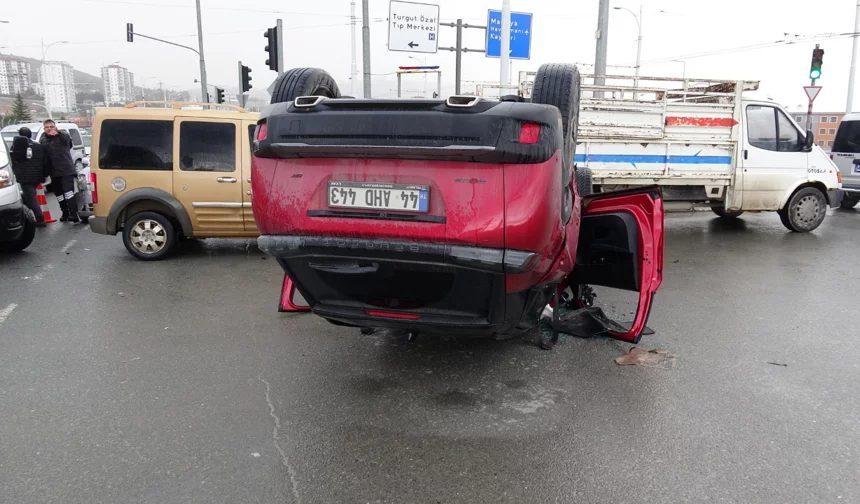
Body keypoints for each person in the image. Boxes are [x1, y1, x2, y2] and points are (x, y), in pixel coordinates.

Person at [40, 119, 79, 223]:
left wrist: (58, 133)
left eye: (51, 127)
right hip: (53, 171)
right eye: (47, 127)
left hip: (66, 169)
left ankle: (73, 214)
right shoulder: (43, 139)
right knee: (59, 194)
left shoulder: (62, 136)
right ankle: (65, 213)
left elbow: (68, 141)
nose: (49, 129)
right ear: (44, 129)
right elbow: (43, 156)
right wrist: (44, 172)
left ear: (55, 127)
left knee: (68, 192)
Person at [10, 127, 48, 227]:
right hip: (37, 176)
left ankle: (39, 218)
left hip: (25, 177)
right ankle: (30, 214)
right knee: (31, 196)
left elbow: (13, 161)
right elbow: (44, 161)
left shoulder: (16, 147)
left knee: (30, 197)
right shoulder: (38, 146)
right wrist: (45, 174)